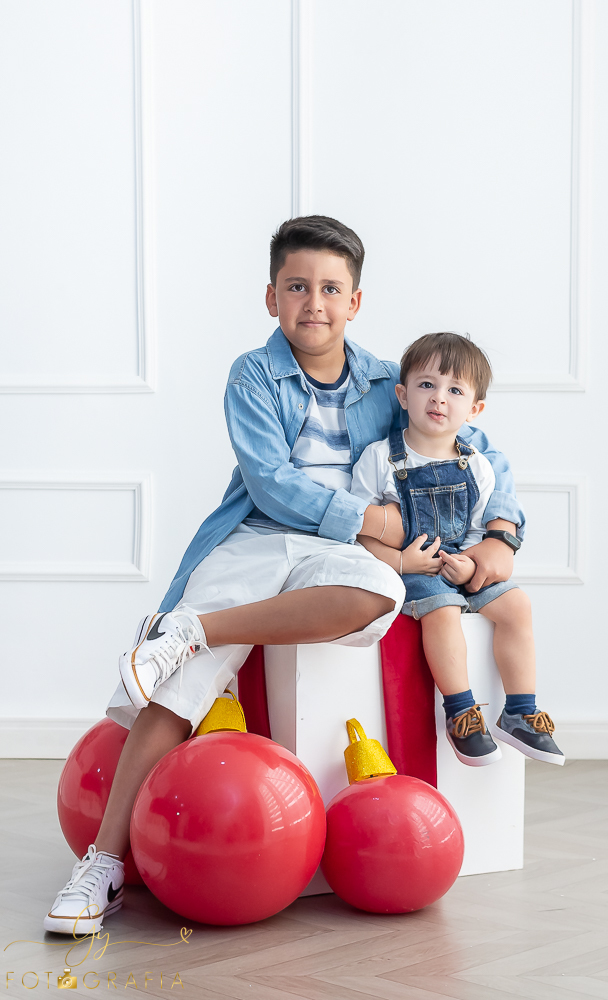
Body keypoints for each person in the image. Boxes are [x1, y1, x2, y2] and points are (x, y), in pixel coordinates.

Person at [45, 217, 525, 935]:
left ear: (354, 302)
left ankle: (194, 629)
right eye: (297, 287)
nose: (314, 303)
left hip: (341, 551)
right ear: (272, 297)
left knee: (382, 591)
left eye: (331, 289)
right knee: (179, 687)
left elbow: (474, 442)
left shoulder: (386, 382)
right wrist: (372, 516)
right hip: (260, 536)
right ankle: (103, 864)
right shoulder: (253, 374)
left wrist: (503, 529)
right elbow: (269, 482)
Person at [350, 330, 564, 768]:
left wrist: (469, 564)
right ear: (403, 395)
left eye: (455, 390)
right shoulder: (379, 458)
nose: (438, 398)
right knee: (443, 609)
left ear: (474, 409)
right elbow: (360, 530)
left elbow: (479, 527)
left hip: (462, 564)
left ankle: (520, 711)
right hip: (413, 570)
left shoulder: (478, 464)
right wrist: (400, 561)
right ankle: (461, 711)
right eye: (426, 384)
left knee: (517, 605)